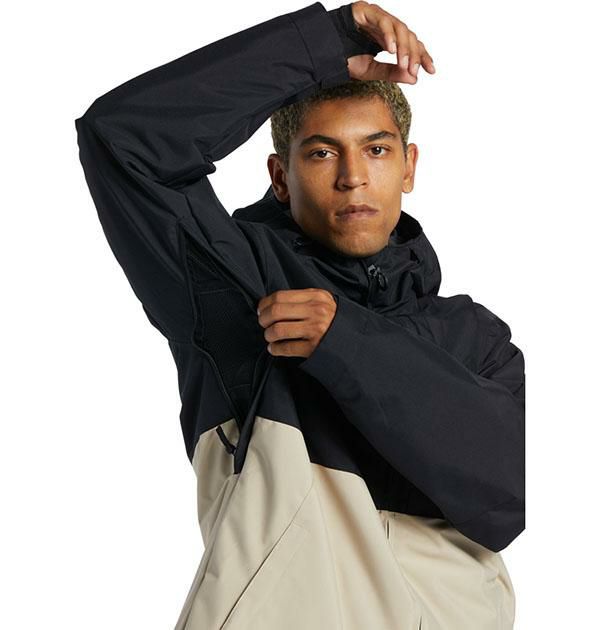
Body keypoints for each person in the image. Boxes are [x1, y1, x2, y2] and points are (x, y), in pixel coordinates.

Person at [74, 2, 525, 628]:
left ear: (408, 167)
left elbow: (507, 499)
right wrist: (326, 42)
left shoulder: (478, 338)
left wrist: (348, 342)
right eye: (320, 153)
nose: (352, 177)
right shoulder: (239, 288)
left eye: (376, 149)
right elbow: (123, 140)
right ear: (280, 177)